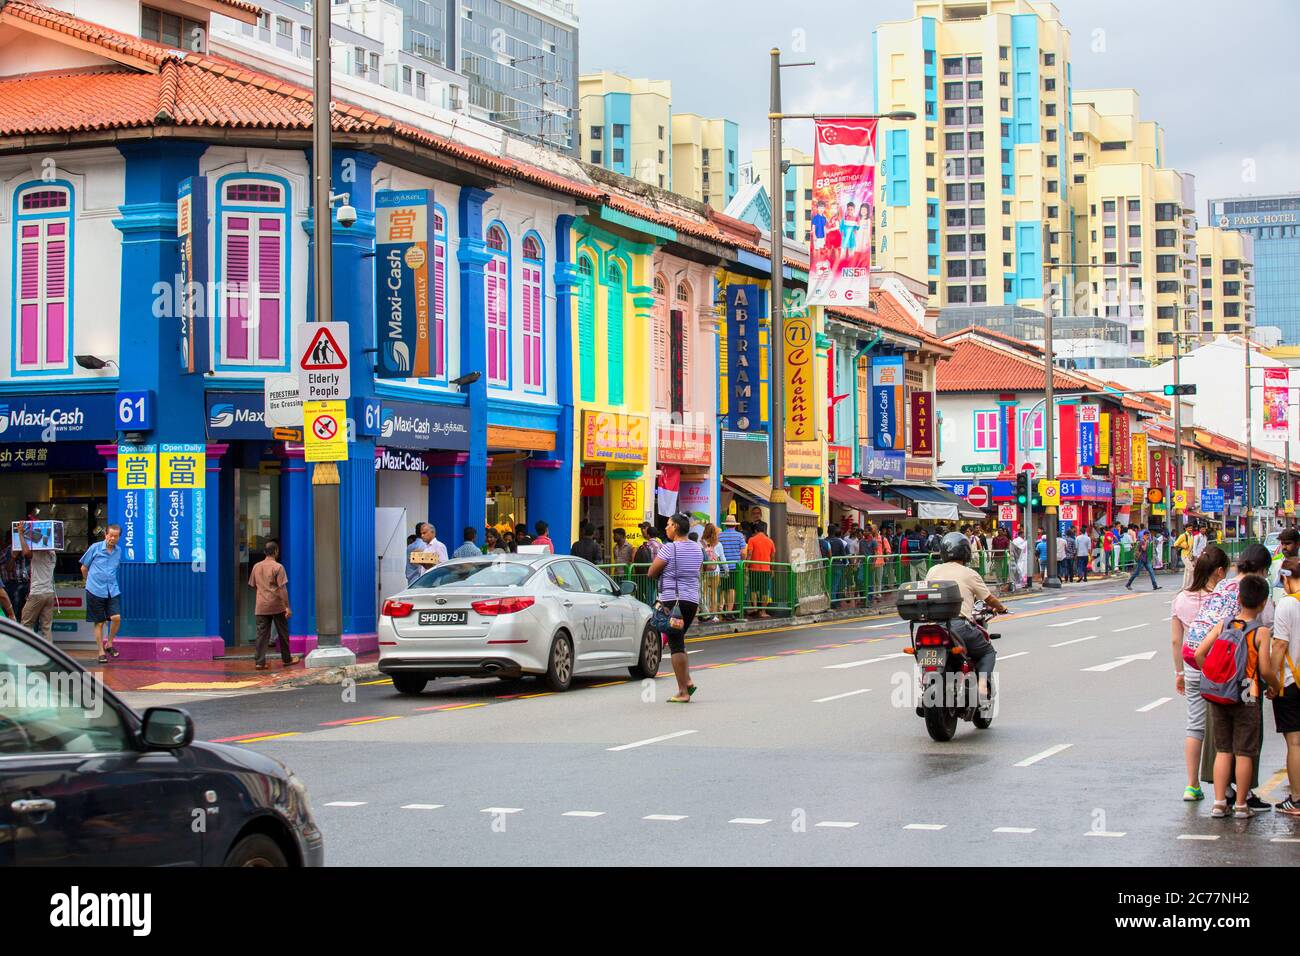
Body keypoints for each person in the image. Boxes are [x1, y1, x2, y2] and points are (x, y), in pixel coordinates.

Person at [1184, 542, 1274, 811]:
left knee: (1219, 742)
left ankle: (1220, 799)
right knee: (1246, 745)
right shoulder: (1256, 593)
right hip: (1244, 679)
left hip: (1213, 672)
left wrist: (1212, 672)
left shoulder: (1224, 586)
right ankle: (1243, 800)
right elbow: (1265, 634)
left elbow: (1201, 650)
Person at [1172, 546, 1231, 802]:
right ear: (1219, 572)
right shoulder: (1221, 598)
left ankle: (1192, 785)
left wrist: (1179, 673)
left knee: (1194, 727)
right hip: (1219, 670)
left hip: (1193, 670)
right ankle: (1225, 788)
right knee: (1223, 728)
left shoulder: (1181, 598)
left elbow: (1176, 641)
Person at [924, 531, 1008, 704]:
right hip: (958, 626)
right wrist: (1001, 608)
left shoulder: (932, 570)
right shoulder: (969, 573)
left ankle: (925, 685)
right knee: (987, 652)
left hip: (932, 627)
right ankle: (983, 686)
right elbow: (989, 599)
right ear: (966, 552)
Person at [647, 514, 703, 704]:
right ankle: (687, 681)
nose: (666, 528)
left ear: (676, 527)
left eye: (669, 525)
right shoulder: (697, 548)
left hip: (673, 602)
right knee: (679, 640)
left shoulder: (669, 548)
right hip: (691, 601)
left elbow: (651, 572)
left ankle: (682, 691)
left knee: (676, 644)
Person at [1263, 555, 1300, 816]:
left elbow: (1279, 646)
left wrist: (1272, 681)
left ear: (1286, 579)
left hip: (1291, 682)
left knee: (1295, 743)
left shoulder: (1287, 605)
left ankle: (1296, 799)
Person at [248, 541, 296, 670]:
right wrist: (287, 606)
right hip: (277, 605)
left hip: (261, 606)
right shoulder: (278, 567)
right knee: (283, 633)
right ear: (276, 551)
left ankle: (259, 662)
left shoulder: (256, 567)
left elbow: (252, 585)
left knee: (261, 635)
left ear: (264, 552)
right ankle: (287, 659)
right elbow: (282, 589)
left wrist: (263, 592)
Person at [80, 524, 123, 664]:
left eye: (115, 536)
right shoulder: (95, 548)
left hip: (112, 589)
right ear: (105, 534)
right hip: (95, 590)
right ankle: (100, 652)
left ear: (119, 537)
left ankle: (109, 643)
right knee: (99, 622)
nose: (112, 538)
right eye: (110, 535)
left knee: (116, 618)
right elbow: (84, 567)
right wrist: (90, 583)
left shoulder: (118, 551)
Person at [18, 521, 56, 642]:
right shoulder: (52, 552)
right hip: (49, 593)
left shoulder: (40, 551)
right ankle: (49, 654)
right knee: (46, 626)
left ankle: (30, 651)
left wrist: (20, 534)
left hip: (37, 592)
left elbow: (26, 553)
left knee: (26, 622)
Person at [744, 520, 777, 617]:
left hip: (754, 569)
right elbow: (773, 556)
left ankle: (754, 608)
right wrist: (772, 569)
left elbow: (749, 553)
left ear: (756, 530)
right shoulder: (770, 541)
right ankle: (763, 611)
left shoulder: (752, 539)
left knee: (753, 589)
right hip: (765, 570)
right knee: (764, 590)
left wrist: (746, 566)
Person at [718, 515, 746, 616]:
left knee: (722, 588)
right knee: (731, 589)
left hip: (722, 566)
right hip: (734, 567)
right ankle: (730, 611)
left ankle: (721, 609)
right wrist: (742, 562)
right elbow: (743, 552)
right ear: (734, 525)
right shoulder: (739, 536)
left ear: (726, 525)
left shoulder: (720, 536)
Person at [1125, 525, 1161, 591]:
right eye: (1147, 535)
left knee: (1151, 572)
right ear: (1144, 535)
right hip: (1141, 559)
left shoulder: (1146, 541)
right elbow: (1144, 549)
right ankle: (1128, 584)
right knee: (1136, 573)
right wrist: (1146, 542)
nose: (1148, 537)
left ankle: (1155, 585)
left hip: (1146, 559)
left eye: (1148, 535)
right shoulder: (1142, 541)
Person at [700, 523, 723, 622]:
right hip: (715, 570)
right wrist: (726, 570)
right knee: (714, 593)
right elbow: (722, 558)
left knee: (703, 593)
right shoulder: (718, 544)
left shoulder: (701, 542)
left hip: (704, 571)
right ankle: (714, 615)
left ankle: (705, 613)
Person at [1174, 525, 1196, 590]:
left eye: (1191, 528)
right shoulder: (1183, 535)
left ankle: (1184, 587)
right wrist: (1183, 546)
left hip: (1190, 556)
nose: (1190, 529)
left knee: (1187, 572)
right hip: (1184, 555)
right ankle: (1189, 586)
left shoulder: (1192, 536)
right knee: (1191, 570)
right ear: (1186, 529)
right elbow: (1175, 544)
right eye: (1189, 528)